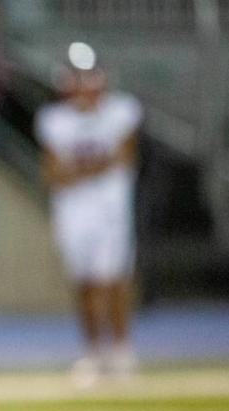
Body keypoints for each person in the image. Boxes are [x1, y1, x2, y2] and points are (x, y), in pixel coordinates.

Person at [35, 43, 143, 386]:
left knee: (112, 281)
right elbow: (53, 175)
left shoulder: (122, 111)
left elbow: (124, 159)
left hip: (110, 210)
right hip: (74, 213)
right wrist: (95, 166)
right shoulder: (53, 120)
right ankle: (94, 351)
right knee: (84, 284)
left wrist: (78, 169)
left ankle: (122, 351)